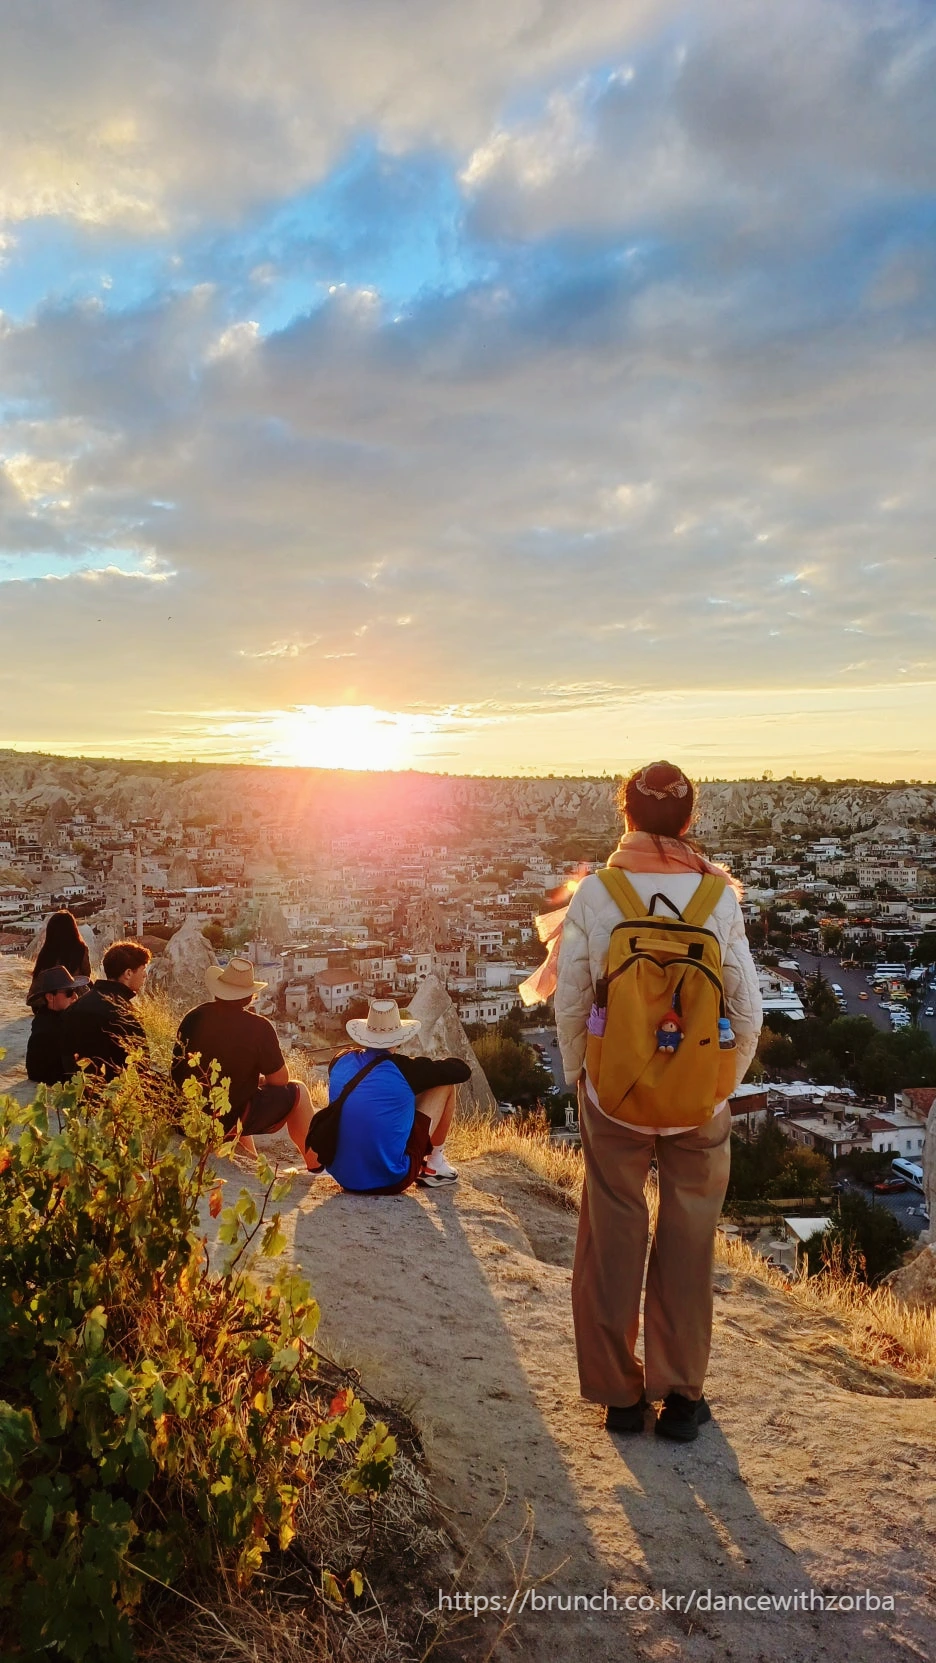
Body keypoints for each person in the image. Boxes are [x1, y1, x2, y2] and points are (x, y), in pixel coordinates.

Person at [555, 760, 761, 1443]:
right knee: (688, 1238)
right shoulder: (717, 895)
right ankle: (679, 1396)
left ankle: (619, 1394)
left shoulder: (597, 893)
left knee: (611, 1235)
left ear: (627, 815)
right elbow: (748, 1012)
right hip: (698, 1095)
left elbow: (571, 1002)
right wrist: (718, 1083)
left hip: (614, 1093)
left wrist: (582, 1078)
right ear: (689, 818)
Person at [310, 997, 469, 1194]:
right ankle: (435, 1165)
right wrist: (430, 1066)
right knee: (445, 1086)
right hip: (390, 1179)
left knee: (392, 1096)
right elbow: (462, 1071)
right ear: (399, 1038)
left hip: (343, 1175)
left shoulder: (340, 1060)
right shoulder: (405, 1070)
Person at [171, 956, 318, 1167]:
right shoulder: (258, 1027)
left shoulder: (193, 1017)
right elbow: (279, 1080)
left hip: (187, 1112)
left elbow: (178, 1067)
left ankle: (251, 1161)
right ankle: (315, 1165)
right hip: (227, 1116)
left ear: (218, 989)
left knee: (242, 1095)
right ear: (250, 996)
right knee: (299, 1091)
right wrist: (257, 1080)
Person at [62, 940, 151, 1081]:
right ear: (128, 973)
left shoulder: (76, 1006)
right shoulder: (125, 1014)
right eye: (143, 969)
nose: (145, 975)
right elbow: (141, 1065)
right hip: (113, 1089)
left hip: (77, 1087)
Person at [25, 966, 87, 1085]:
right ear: (50, 997)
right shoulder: (50, 1029)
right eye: (69, 992)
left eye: (75, 991)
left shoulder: (45, 1018)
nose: (75, 996)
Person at [29, 908, 92, 1001]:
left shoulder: (46, 951)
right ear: (73, 929)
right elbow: (86, 975)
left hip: (47, 1001)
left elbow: (37, 981)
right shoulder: (80, 949)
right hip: (73, 999)